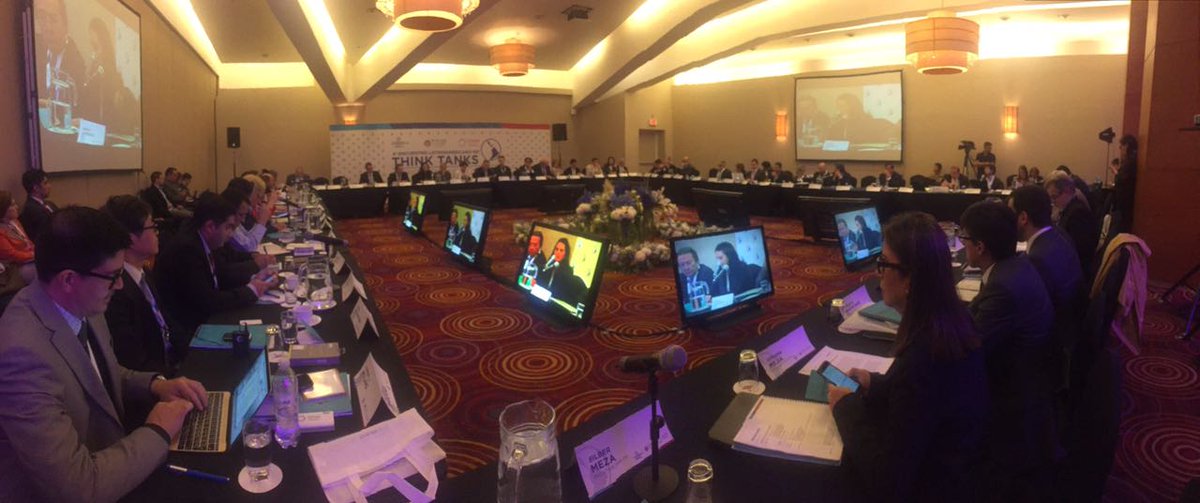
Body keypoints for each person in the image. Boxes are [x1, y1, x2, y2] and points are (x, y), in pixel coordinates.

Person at [0, 206, 207, 502]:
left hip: (112, 457)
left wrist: (156, 385)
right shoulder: (20, 355)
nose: (120, 285)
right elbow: (77, 487)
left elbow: (95, 375)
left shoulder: (82, 300)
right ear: (69, 279)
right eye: (113, 276)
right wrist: (159, 430)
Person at [828, 212, 987, 502]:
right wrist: (876, 384)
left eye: (883, 263)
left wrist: (845, 407)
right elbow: (924, 399)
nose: (878, 273)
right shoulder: (953, 318)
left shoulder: (923, 358)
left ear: (910, 278)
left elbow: (888, 482)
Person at [958, 201, 1057, 500]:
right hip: (1032, 378)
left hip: (1010, 398)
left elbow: (964, 351)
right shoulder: (1016, 265)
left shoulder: (1003, 287)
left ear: (980, 247)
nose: (962, 245)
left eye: (964, 238)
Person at [156, 192, 276, 339]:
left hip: (202, 319)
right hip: (191, 332)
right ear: (210, 227)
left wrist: (255, 278)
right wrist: (251, 290)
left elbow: (219, 277)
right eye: (228, 227)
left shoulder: (203, 240)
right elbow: (208, 301)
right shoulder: (187, 250)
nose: (231, 234)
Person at [1010, 186, 1084, 389]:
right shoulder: (1057, 234)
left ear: (1023, 218)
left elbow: (1028, 315)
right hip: (1070, 324)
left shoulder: (1038, 258)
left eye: (1010, 213)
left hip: (1051, 347)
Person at [102, 195, 184, 376]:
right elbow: (134, 361)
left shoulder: (143, 272)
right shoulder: (116, 291)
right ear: (130, 239)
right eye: (152, 227)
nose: (157, 233)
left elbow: (167, 323)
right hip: (155, 380)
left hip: (173, 363)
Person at [1045, 172, 1099, 275]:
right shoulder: (1069, 209)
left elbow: (1080, 252)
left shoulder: (1078, 214)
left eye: (1054, 197)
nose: (1052, 202)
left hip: (1076, 272)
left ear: (1067, 191)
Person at [827, 93, 897, 144]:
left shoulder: (869, 123)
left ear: (853, 106)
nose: (839, 109)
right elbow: (831, 142)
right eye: (838, 106)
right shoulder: (837, 124)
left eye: (842, 106)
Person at [0, 190, 36, 286]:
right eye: (13, 205)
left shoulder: (15, 221)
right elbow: (12, 255)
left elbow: (27, 241)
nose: (17, 207)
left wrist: (37, 250)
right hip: (15, 268)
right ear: (2, 209)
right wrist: (34, 255)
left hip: (29, 259)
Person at [538, 237, 587, 305]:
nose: (558, 252)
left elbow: (560, 292)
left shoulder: (568, 271)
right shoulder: (548, 266)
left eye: (561, 250)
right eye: (556, 249)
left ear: (565, 254)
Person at [19, 169, 57, 242]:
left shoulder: (50, 204)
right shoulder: (31, 210)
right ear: (36, 188)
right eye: (45, 183)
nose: (49, 186)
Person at [1111, 134, 1138, 234]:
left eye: (1121, 146)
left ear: (1126, 146)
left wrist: (1115, 171)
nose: (1120, 149)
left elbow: (1121, 180)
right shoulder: (1132, 161)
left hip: (1125, 203)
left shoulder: (1130, 162)